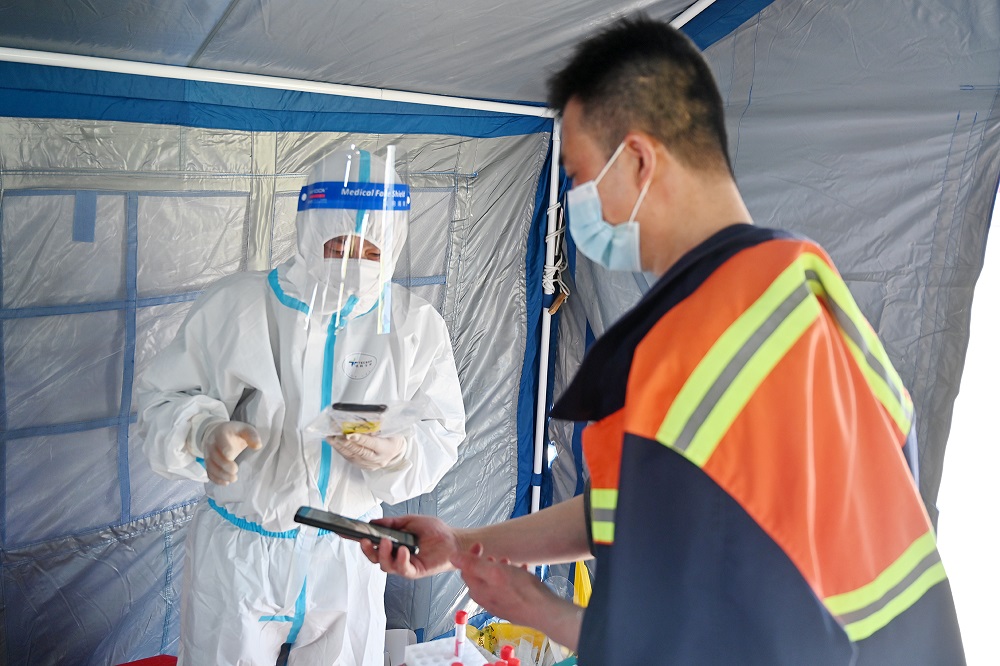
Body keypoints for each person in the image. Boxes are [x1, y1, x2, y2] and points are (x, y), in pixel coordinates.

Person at [361, 15, 965, 665]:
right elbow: (643, 508)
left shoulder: (692, 346)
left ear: (639, 160)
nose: (578, 200)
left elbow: (676, 643)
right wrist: (464, 545)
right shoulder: (808, 295)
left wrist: (541, 609)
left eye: (579, 176)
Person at [137, 147, 466, 665]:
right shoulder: (237, 307)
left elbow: (441, 429)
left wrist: (400, 452)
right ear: (310, 231)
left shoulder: (415, 326)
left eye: (372, 250)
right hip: (242, 555)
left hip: (350, 552)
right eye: (339, 245)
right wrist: (201, 432)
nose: (354, 263)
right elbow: (163, 399)